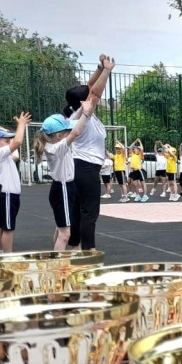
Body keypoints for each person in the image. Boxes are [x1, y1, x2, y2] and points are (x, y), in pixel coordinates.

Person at [65, 56, 113, 251]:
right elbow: (94, 92)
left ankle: (75, 245)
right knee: (89, 212)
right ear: (83, 101)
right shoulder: (83, 114)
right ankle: (89, 249)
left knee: (78, 210)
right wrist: (107, 71)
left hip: (78, 166)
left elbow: (90, 86)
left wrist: (100, 68)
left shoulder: (76, 112)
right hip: (86, 168)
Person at [34, 100, 93, 250]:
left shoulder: (53, 143)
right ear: (60, 135)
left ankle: (56, 256)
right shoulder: (57, 148)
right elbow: (76, 131)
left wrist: (81, 109)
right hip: (63, 189)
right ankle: (57, 267)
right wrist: (86, 114)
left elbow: (71, 122)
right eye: (66, 131)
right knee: (65, 234)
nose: (69, 132)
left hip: (65, 188)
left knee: (61, 229)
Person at [0, 113, 29, 252]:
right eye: (5, 141)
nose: (9, 143)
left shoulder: (3, 155)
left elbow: (14, 145)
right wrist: (21, 125)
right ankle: (8, 256)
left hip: (10, 195)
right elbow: (17, 142)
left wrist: (13, 130)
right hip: (7, 195)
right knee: (8, 229)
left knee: (1, 227)